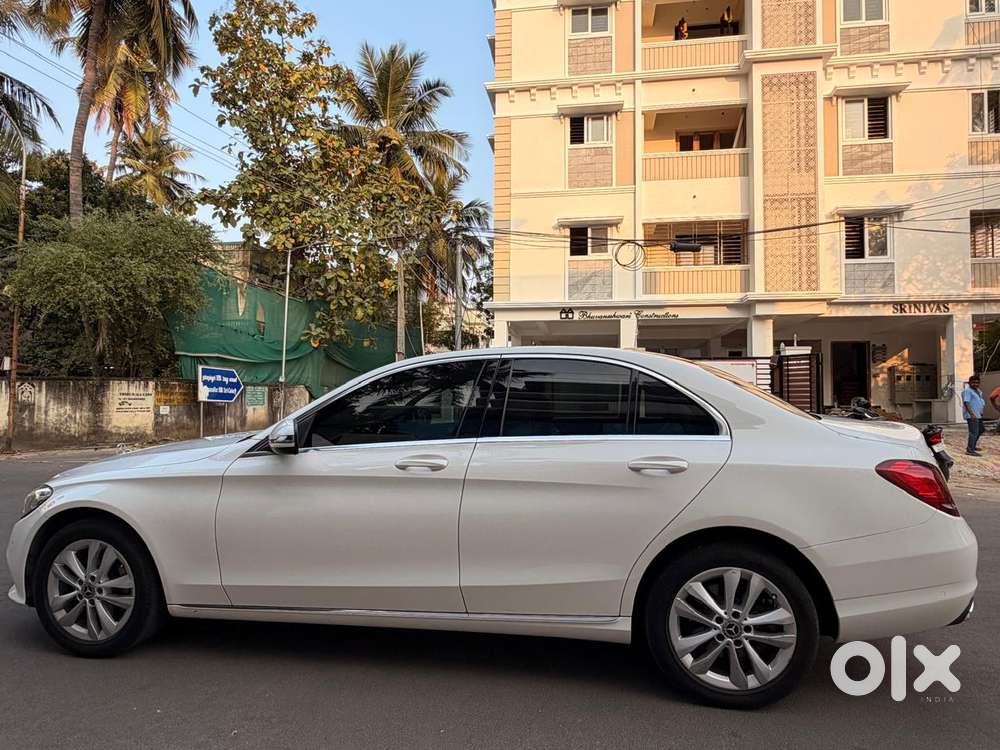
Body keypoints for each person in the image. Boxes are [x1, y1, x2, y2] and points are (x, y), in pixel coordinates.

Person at [962, 374, 986, 456]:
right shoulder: (967, 391)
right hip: (972, 415)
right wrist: (971, 414)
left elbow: (980, 402)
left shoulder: (979, 391)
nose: (975, 384)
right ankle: (970, 450)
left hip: (978, 415)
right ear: (969, 383)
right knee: (973, 432)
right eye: (973, 382)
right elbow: (966, 402)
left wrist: (981, 411)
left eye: (977, 382)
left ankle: (973, 446)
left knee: (981, 430)